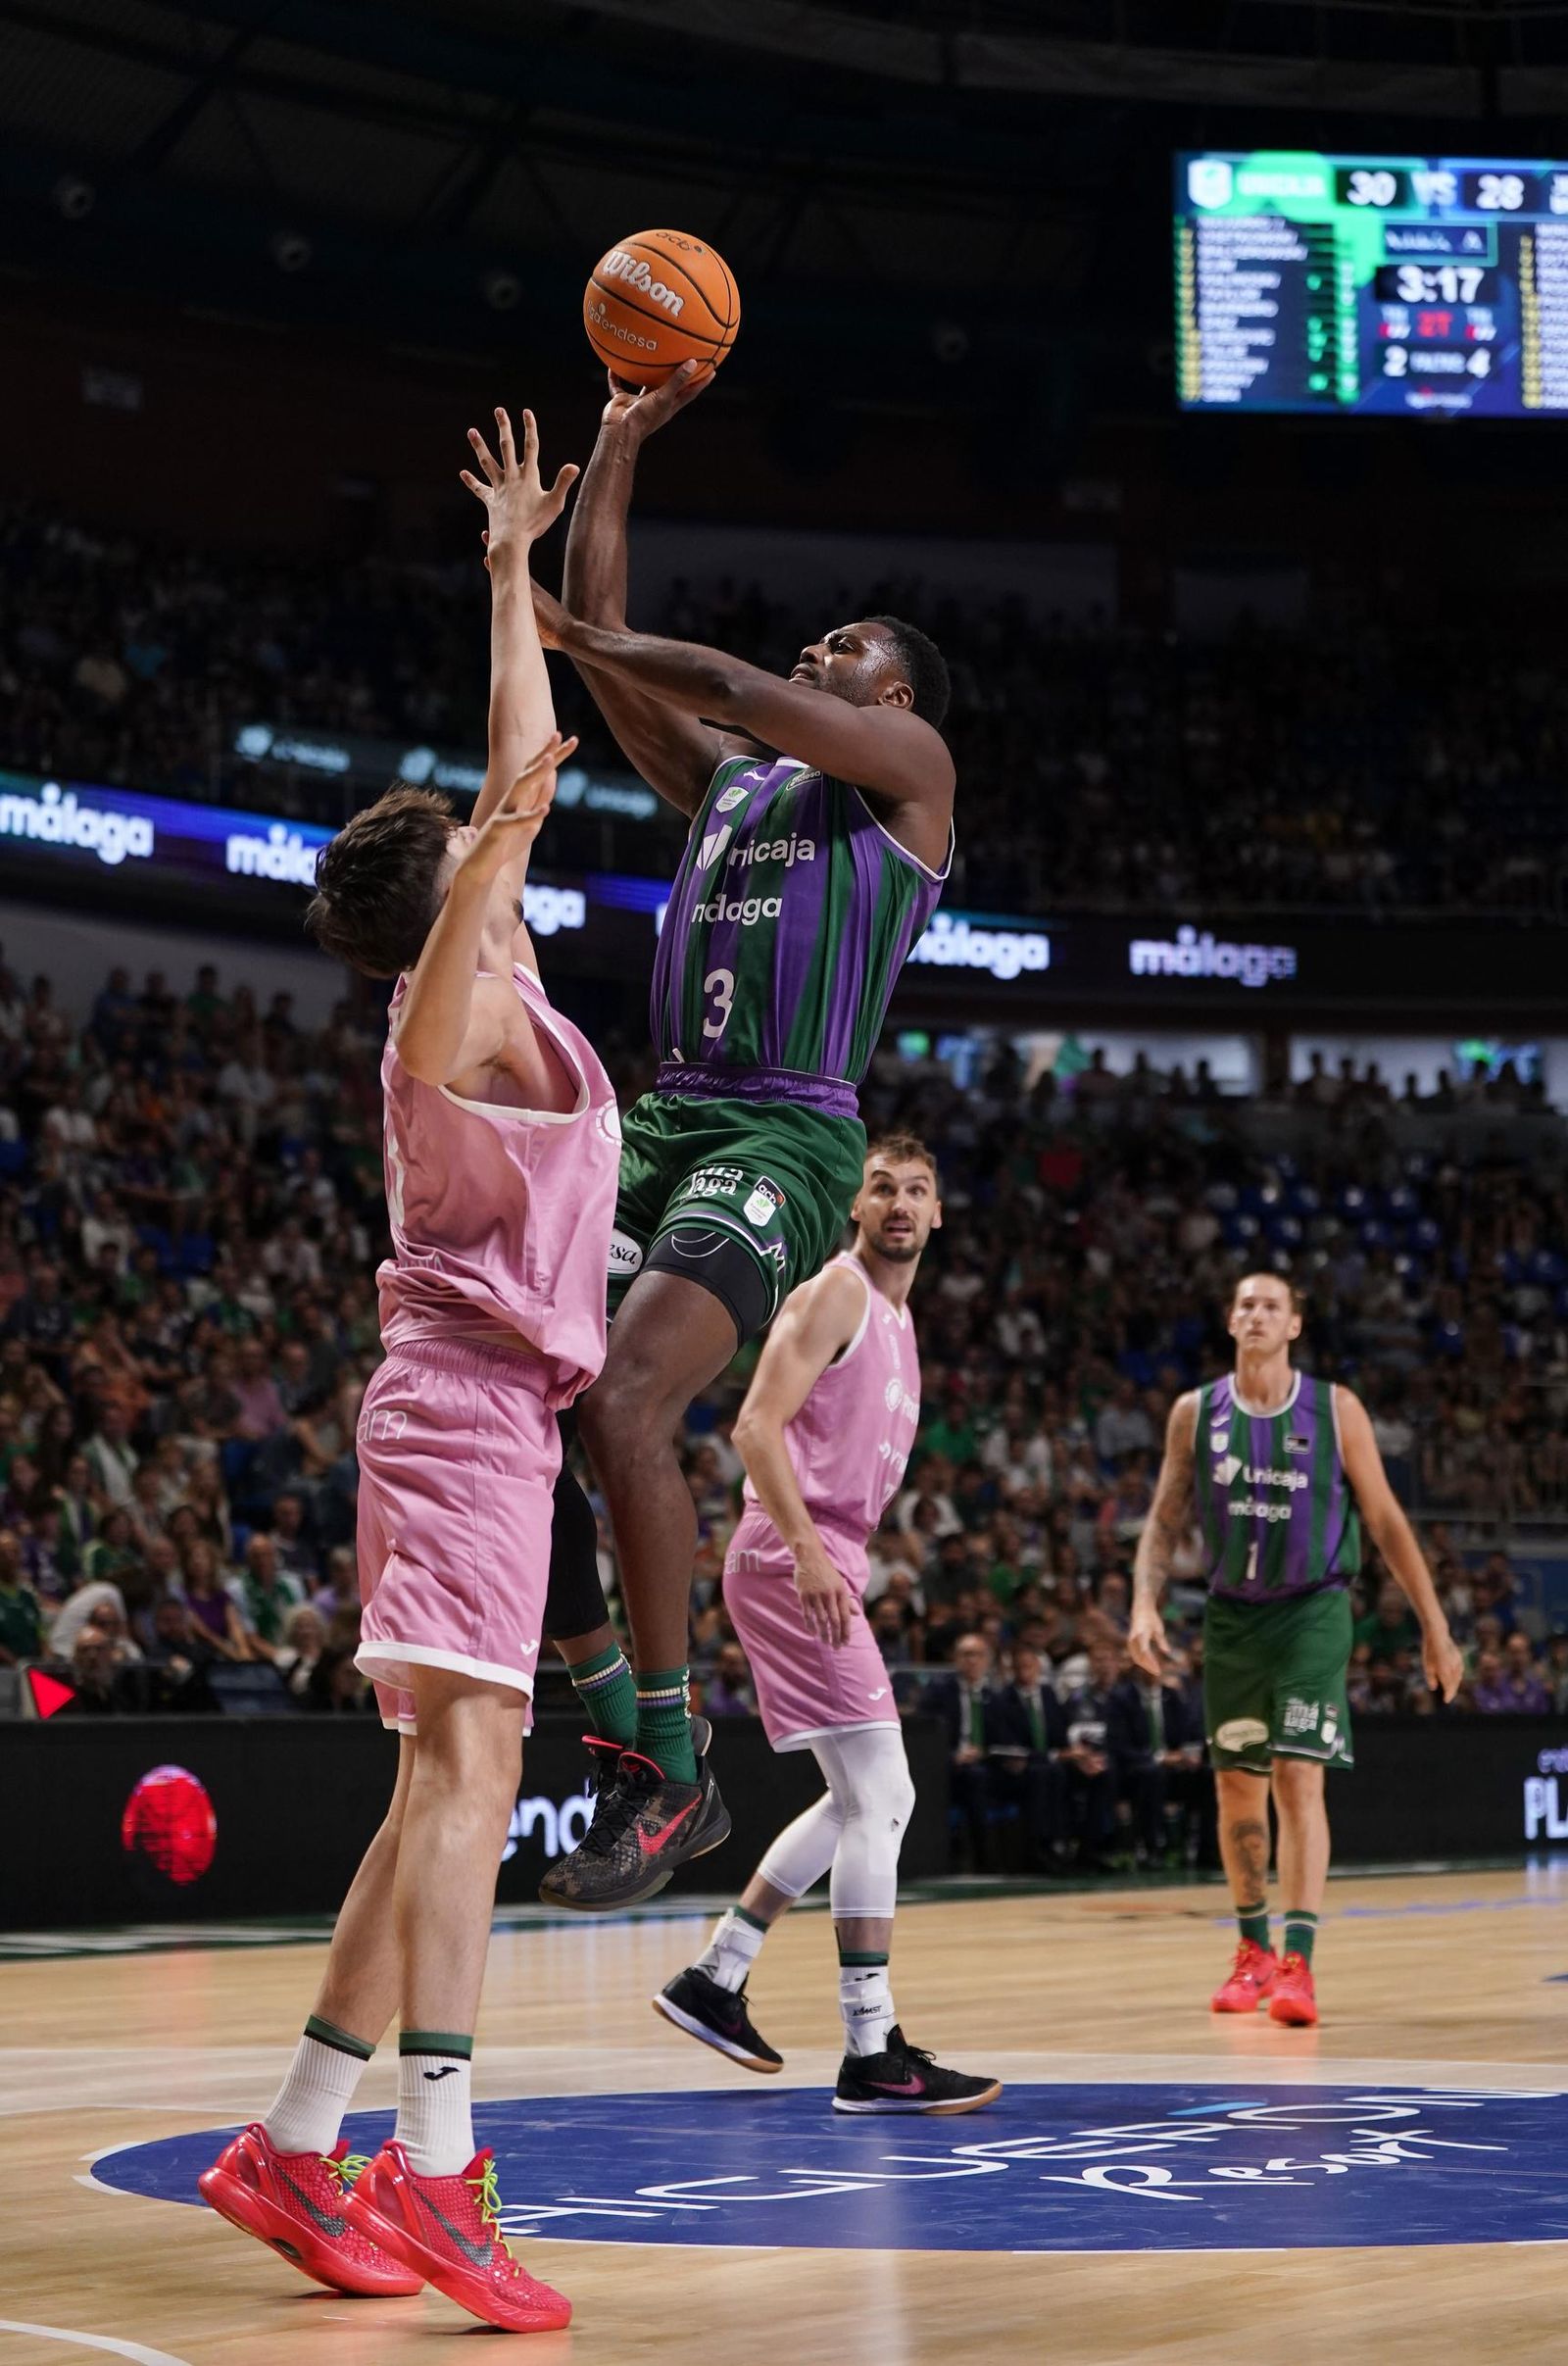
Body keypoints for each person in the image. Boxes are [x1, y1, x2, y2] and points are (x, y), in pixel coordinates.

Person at [198, 407, 616, 2335]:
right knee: (469, 1774)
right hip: (457, 1417)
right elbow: (520, 773)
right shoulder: (441, 1005)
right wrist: (504, 586)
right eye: (482, 852)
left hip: (478, 1423)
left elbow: (515, 769)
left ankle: (294, 2138)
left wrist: (503, 572)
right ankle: (437, 2171)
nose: (508, 839)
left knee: (432, 1787)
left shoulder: (488, 961)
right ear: (444, 895)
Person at [536, 363, 956, 1904]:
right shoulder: (730, 791)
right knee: (527, 1400)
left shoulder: (909, 782)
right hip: (662, 1115)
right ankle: (614, 1721)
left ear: (891, 694)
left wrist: (597, 634)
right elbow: (624, 676)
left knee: (635, 1403)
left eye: (841, 644)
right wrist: (616, 449)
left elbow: (710, 675)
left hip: (783, 1136)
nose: (811, 650)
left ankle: (674, 1768)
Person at [655, 1139, 998, 2114]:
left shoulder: (896, 1317)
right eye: (882, 1184)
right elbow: (755, 1425)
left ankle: (715, 1977)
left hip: (818, 1552)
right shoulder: (838, 1290)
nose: (898, 1201)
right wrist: (805, 1546)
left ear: (938, 1213)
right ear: (856, 1201)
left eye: (917, 1189)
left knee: (856, 1800)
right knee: (884, 1794)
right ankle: (869, 2044)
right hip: (790, 1552)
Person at [1130, 1271, 1463, 2028]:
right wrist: (1143, 1604)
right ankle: (1251, 1952)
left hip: (1312, 1612)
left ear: (1294, 1327)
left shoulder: (1335, 1409)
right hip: (1231, 1619)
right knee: (1236, 1789)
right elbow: (1162, 1519)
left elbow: (1384, 1520)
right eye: (1245, 1304)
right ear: (1230, 1321)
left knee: (1296, 1777)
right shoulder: (1195, 1412)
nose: (1255, 1314)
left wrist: (1435, 1627)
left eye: (1270, 1305)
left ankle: (1298, 1963)